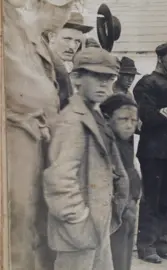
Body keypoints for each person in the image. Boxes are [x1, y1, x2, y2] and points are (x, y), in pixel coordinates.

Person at [43, 47, 129, 270]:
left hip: (96, 224)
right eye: (97, 77)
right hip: (79, 232)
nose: (104, 85)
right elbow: (59, 179)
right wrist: (78, 221)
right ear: (76, 78)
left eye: (109, 78)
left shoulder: (94, 114)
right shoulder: (72, 120)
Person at [5, 0, 76, 269]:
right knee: (19, 221)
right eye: (62, 8)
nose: (64, 14)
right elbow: (30, 89)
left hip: (37, 136)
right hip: (18, 139)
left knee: (37, 222)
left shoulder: (36, 38)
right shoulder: (11, 27)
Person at [133, 41, 167, 263]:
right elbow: (148, 117)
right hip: (153, 151)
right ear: (160, 59)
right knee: (151, 199)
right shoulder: (146, 83)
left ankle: (163, 243)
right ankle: (146, 246)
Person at [100, 94, 142, 270]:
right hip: (114, 209)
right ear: (107, 118)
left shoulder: (125, 142)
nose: (129, 125)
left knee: (124, 254)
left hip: (129, 206)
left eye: (133, 120)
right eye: (123, 119)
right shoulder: (105, 142)